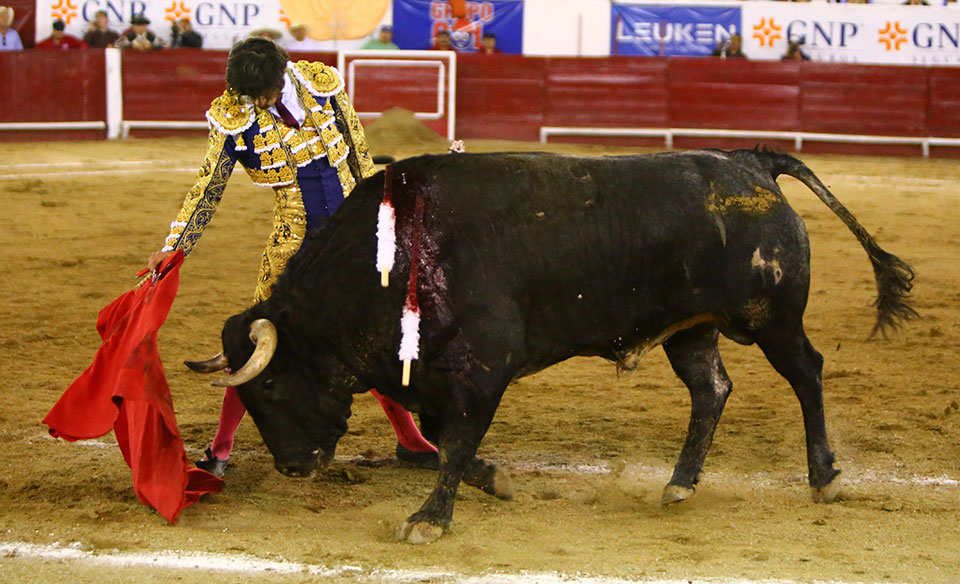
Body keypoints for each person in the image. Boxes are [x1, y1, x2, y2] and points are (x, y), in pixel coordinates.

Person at [145, 38, 438, 476]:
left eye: (263, 93)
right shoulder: (234, 115)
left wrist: (383, 222)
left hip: (351, 239)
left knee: (372, 338)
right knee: (260, 345)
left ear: (281, 75)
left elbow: (358, 157)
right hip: (294, 243)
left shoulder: (320, 85)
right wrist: (176, 244)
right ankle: (220, 447)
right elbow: (209, 185)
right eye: (250, 97)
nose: (258, 102)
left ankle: (410, 439)